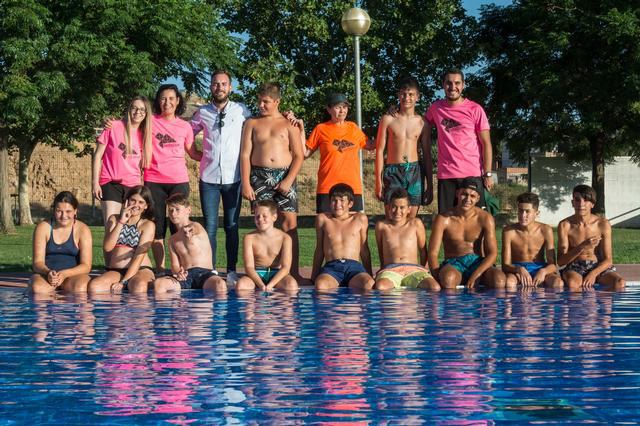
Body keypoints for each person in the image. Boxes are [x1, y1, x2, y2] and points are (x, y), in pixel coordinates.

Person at [191, 70, 251, 278]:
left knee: (232, 226)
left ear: (230, 87)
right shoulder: (202, 112)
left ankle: (232, 270)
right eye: (216, 84)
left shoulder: (241, 110)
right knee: (210, 226)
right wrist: (194, 153)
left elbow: (259, 126)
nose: (220, 87)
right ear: (211, 87)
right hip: (209, 178)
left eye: (224, 84)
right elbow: (186, 133)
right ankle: (211, 269)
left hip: (234, 178)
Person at [240, 82, 304, 278]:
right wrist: (246, 183)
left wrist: (288, 180)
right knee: (262, 222)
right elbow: (245, 155)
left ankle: (293, 273)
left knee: (289, 224)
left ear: (277, 102)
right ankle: (261, 272)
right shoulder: (251, 123)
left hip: (284, 175)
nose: (261, 105)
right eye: (259, 101)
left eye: (266, 102)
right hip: (259, 177)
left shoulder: (288, 124)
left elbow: (299, 155)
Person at [143, 83, 200, 272]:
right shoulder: (149, 121)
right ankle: (160, 269)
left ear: (177, 101)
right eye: (163, 98)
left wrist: (214, 156)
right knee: (157, 226)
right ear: (158, 101)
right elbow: (129, 125)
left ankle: (182, 269)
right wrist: (112, 124)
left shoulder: (185, 126)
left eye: (171, 98)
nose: (167, 102)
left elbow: (193, 153)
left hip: (178, 181)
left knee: (179, 227)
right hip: (153, 181)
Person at [424, 69, 494, 213]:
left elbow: (486, 144)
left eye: (457, 83)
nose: (452, 87)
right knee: (447, 222)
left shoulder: (475, 109)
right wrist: (397, 110)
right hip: (446, 176)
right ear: (443, 85)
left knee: (474, 222)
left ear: (463, 85)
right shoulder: (435, 108)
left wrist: (487, 174)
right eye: (448, 83)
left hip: (472, 175)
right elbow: (417, 123)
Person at [290, 93, 371, 213]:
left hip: (352, 188)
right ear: (328, 109)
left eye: (345, 107)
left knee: (353, 224)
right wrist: (301, 130)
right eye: (338, 107)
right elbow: (305, 153)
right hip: (327, 187)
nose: (342, 110)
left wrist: (388, 124)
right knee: (326, 223)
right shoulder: (321, 128)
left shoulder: (353, 128)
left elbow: (371, 145)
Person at [427, 178, 505, 289]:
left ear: (478, 198)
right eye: (464, 194)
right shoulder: (443, 219)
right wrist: (438, 279)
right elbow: (433, 253)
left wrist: (476, 274)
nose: (468, 199)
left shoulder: (485, 218)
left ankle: (485, 301)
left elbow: (492, 253)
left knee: (499, 280)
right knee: (448, 279)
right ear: (457, 194)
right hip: (454, 264)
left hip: (477, 262)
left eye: (472, 196)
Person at [375, 77, 433, 218]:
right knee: (392, 217)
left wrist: (430, 185)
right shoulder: (387, 119)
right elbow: (380, 151)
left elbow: (427, 155)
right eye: (403, 94)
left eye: (411, 94)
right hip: (393, 171)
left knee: (411, 219)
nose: (407, 98)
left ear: (417, 96)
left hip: (414, 171)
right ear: (398, 95)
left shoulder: (423, 123)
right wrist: (378, 182)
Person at [93, 96, 153, 226]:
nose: (138, 112)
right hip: (111, 183)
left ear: (146, 113)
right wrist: (95, 183)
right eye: (134, 108)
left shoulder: (146, 135)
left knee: (129, 228)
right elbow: (97, 155)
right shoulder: (113, 126)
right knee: (111, 225)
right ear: (129, 109)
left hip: (133, 186)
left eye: (142, 109)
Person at [152, 193, 227, 294]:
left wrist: (190, 230)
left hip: (205, 274)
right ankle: (169, 304)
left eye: (177, 209)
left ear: (188, 210)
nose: (173, 213)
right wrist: (178, 272)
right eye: (170, 210)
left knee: (220, 284)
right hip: (186, 276)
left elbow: (195, 229)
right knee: (159, 284)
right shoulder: (172, 239)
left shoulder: (197, 226)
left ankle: (222, 304)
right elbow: (175, 265)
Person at [88, 186, 156, 294]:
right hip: (116, 270)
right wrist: (121, 222)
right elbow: (107, 247)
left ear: (146, 206)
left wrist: (124, 281)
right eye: (133, 200)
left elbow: (139, 257)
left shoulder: (147, 225)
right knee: (94, 287)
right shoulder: (114, 219)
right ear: (127, 201)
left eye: (141, 202)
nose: (136, 205)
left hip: (140, 269)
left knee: (138, 287)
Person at [557, 185, 625, 291]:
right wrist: (582, 247)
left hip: (598, 266)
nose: (581, 204)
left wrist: (593, 274)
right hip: (575, 266)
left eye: (586, 200)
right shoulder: (565, 225)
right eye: (577, 200)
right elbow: (561, 261)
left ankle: (602, 301)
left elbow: (608, 260)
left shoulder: (602, 224)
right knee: (572, 284)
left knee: (619, 283)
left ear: (592, 204)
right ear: (572, 202)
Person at [312, 183, 374, 291]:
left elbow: (364, 249)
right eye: (334, 200)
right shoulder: (323, 219)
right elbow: (319, 250)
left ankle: (351, 283)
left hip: (354, 267)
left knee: (368, 284)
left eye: (341, 200)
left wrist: (369, 273)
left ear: (350, 203)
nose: (337, 204)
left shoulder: (359, 219)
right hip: (332, 268)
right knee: (320, 286)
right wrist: (314, 276)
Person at [374, 189, 440, 291]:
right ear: (389, 207)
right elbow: (381, 252)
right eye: (394, 207)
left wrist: (424, 269)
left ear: (409, 209)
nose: (397, 211)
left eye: (402, 207)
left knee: (434, 287)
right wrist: (382, 270)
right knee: (380, 287)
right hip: (391, 270)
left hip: (413, 269)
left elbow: (423, 251)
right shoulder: (382, 226)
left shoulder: (416, 224)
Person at [29, 191, 92, 294]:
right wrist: (48, 272)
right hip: (46, 275)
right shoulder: (43, 227)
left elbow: (86, 266)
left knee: (81, 288)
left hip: (73, 276)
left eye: (68, 211)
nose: (63, 216)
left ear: (75, 211)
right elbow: (37, 263)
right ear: (54, 210)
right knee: (38, 289)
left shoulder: (83, 230)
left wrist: (65, 274)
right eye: (59, 211)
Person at [501, 192, 563, 288]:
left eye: (527, 211)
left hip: (539, 267)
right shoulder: (509, 231)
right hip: (517, 268)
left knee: (558, 283)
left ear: (536, 213)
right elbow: (505, 265)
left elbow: (552, 265)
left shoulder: (545, 230)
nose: (523, 215)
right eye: (520, 210)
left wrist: (543, 271)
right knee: (509, 283)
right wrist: (518, 269)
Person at [235, 200, 298, 292]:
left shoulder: (285, 238)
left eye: (264, 216)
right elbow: (249, 267)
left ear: (274, 217)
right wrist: (261, 285)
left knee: (291, 285)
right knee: (241, 286)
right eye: (257, 216)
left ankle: (279, 301)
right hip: (256, 274)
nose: (260, 219)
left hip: (277, 274)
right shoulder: (249, 238)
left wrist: (270, 285)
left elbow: (286, 267)